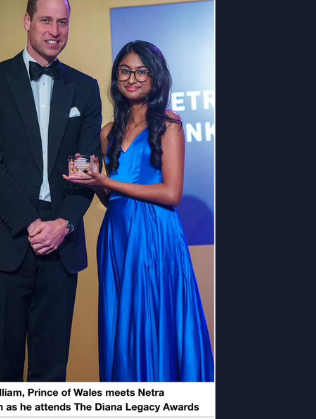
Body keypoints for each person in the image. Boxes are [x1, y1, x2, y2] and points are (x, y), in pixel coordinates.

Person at [0, 0, 102, 382]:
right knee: (4, 368)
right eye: (46, 20)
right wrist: (32, 223)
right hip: (6, 237)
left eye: (63, 22)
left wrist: (64, 224)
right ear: (27, 22)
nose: (55, 31)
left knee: (52, 369)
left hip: (62, 240)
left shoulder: (85, 88)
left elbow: (86, 166)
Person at [63, 40, 214, 381]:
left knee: (156, 319)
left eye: (141, 72)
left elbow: (171, 193)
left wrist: (107, 181)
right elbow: (112, 199)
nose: (132, 79)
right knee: (124, 325)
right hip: (117, 236)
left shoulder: (169, 124)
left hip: (156, 235)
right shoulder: (107, 133)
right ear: (116, 77)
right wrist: (95, 182)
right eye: (125, 71)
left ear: (155, 78)